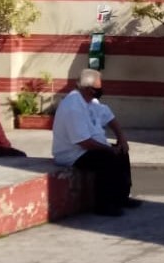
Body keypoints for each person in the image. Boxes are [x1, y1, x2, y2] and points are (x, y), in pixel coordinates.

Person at [51, 68, 141, 217]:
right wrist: (108, 149)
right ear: (88, 89)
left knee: (121, 152)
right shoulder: (73, 107)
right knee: (107, 159)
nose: (100, 90)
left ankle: (122, 197)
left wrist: (121, 139)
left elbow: (110, 118)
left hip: (89, 148)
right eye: (98, 88)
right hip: (73, 154)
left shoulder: (92, 102)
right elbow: (84, 142)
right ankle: (104, 205)